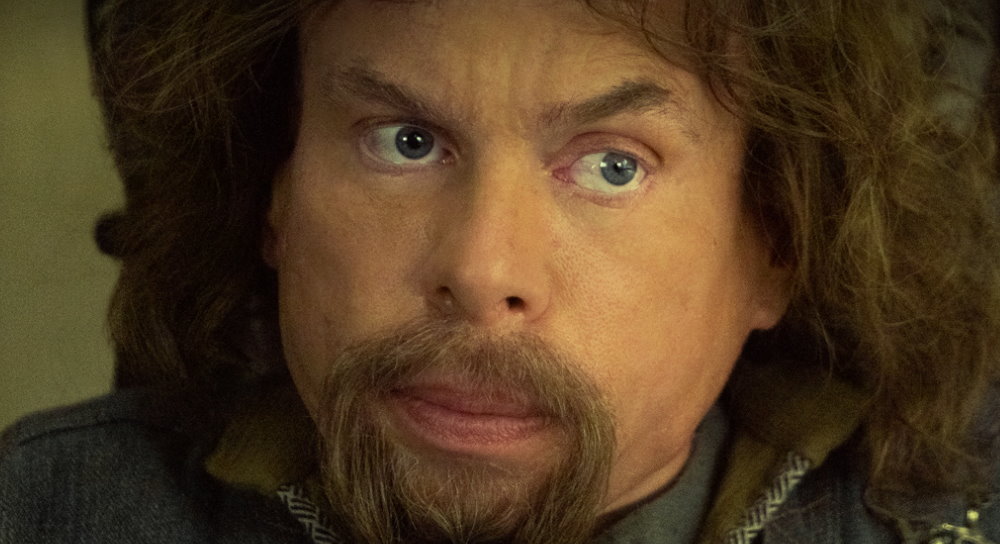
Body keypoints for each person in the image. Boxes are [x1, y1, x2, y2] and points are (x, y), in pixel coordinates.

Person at [2, 0, 999, 542]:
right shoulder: (42, 510)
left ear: (774, 246)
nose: (482, 271)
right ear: (276, 195)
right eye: (403, 141)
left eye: (613, 166)